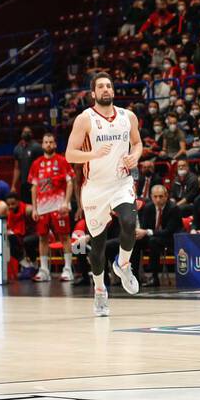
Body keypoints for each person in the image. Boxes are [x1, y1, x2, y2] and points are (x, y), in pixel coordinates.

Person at [64, 74, 144, 316]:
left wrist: (135, 156)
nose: (106, 89)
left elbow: (138, 143)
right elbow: (69, 154)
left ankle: (123, 264)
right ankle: (100, 290)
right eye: (100, 86)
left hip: (121, 182)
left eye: (109, 85)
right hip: (95, 187)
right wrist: (93, 155)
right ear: (93, 93)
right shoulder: (84, 119)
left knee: (129, 223)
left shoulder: (127, 116)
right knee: (97, 247)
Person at [27, 132, 76, 282]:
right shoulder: (36, 164)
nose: (48, 144)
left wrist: (66, 202)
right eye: (46, 142)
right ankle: (44, 271)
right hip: (42, 208)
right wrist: (34, 208)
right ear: (42, 145)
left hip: (58, 207)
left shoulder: (62, 161)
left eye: (51, 142)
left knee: (64, 237)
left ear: (55, 144)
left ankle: (67, 269)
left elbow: (70, 182)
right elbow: (34, 187)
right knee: (42, 238)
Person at [139, 184, 184, 285]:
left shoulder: (173, 208)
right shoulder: (148, 208)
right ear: (151, 197)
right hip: (153, 237)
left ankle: (154, 277)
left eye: (161, 196)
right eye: (155, 197)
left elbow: (168, 231)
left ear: (166, 196)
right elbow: (144, 226)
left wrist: (147, 232)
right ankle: (134, 276)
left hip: (170, 239)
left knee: (153, 241)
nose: (158, 200)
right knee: (136, 242)